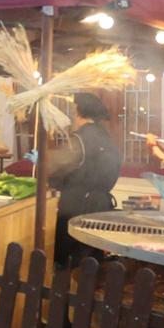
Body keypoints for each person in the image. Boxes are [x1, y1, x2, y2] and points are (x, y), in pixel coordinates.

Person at [49, 92, 122, 265]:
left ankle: (68, 289)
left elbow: (57, 167)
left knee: (70, 260)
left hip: (75, 207)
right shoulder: (107, 138)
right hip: (101, 205)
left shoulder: (79, 139)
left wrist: (44, 167)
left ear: (78, 111)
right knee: (93, 258)